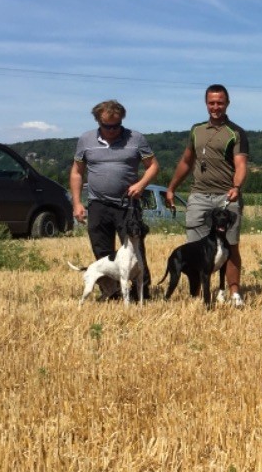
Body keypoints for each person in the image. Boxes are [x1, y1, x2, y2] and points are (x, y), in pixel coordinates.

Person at [165, 84, 249, 306]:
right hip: (199, 196)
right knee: (195, 248)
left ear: (227, 103)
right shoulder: (196, 130)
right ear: (206, 104)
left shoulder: (236, 132)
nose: (216, 107)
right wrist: (171, 187)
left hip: (225, 196)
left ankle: (233, 293)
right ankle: (198, 296)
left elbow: (241, 165)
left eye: (220, 102)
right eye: (211, 103)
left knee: (230, 246)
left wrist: (237, 186)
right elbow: (186, 161)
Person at [70, 100, 159, 297]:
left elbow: (153, 166)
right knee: (102, 251)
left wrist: (141, 184)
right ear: (97, 121)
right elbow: (77, 172)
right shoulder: (85, 140)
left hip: (127, 206)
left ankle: (140, 293)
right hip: (98, 204)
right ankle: (111, 292)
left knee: (135, 251)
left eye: (116, 126)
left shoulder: (136, 138)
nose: (111, 130)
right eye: (106, 126)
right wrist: (76, 202)